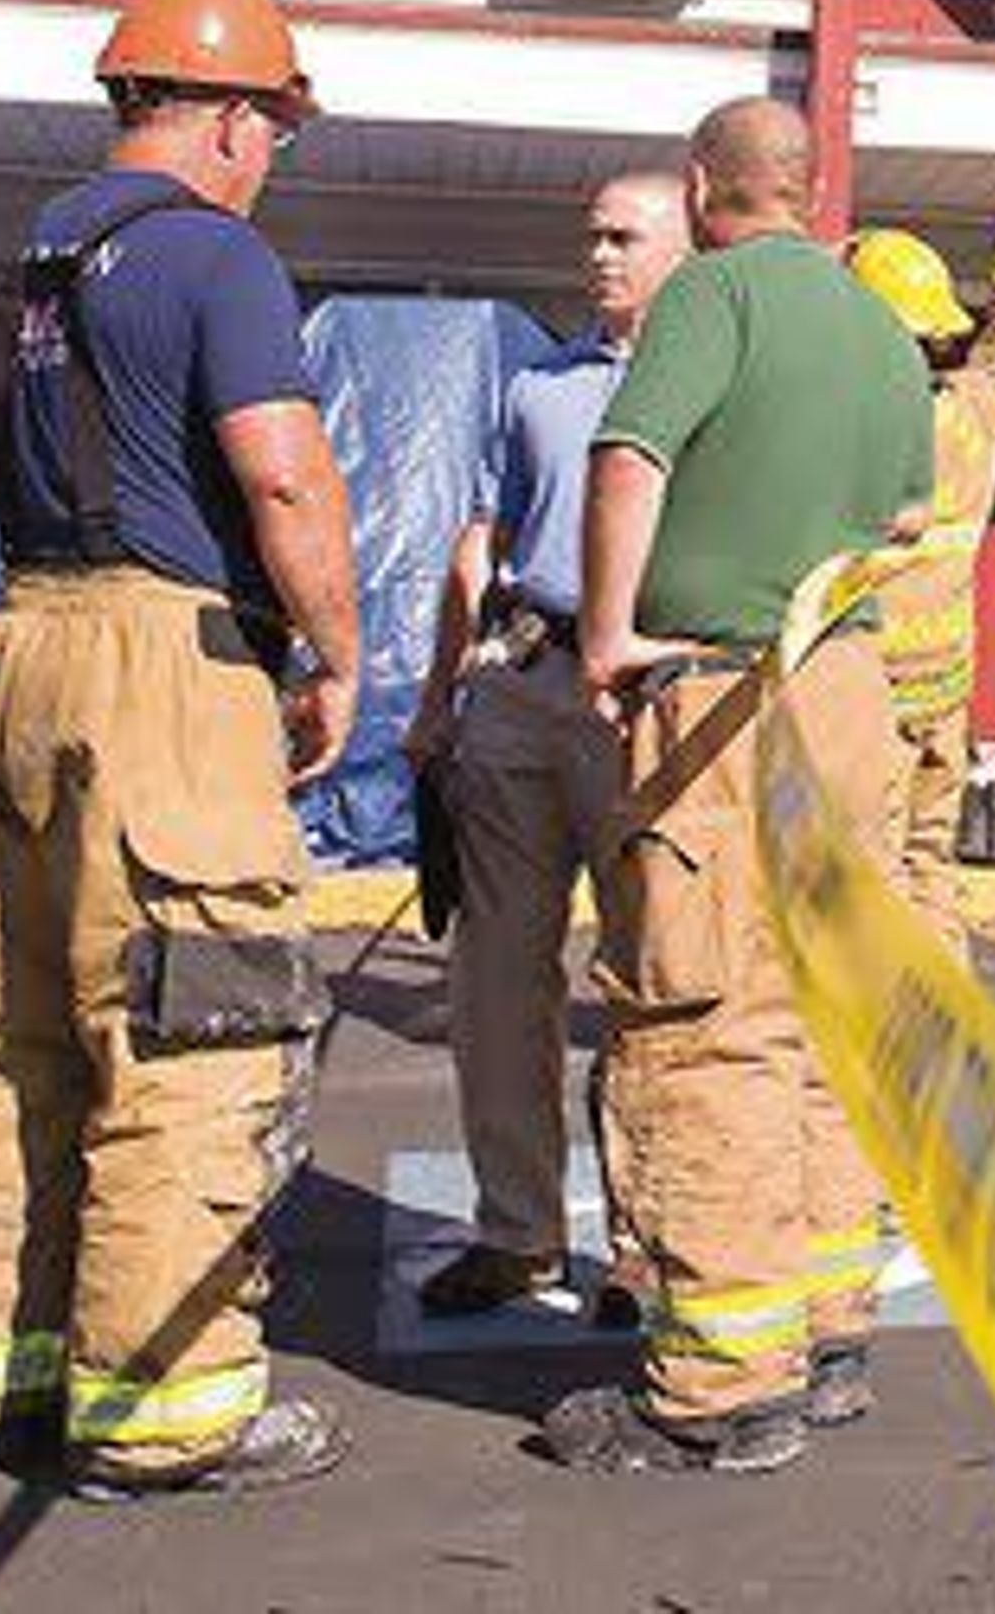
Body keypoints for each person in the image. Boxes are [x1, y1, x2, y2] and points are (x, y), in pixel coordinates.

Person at [0, 0, 358, 1499]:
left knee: (5, 1038)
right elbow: (284, 480)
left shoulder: (4, 271)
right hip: (160, 671)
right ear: (230, 118)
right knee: (184, 1036)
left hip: (9, 650)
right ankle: (163, 1416)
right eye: (274, 127)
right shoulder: (219, 264)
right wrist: (340, 655)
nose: (273, 155)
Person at [548, 97, 933, 1475]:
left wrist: (605, 633)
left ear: (707, 189)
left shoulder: (713, 294)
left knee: (701, 1019)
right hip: (847, 695)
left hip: (720, 694)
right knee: (819, 1012)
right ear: (812, 188)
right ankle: (828, 1330)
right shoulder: (880, 329)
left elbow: (629, 452)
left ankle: (718, 1385)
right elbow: (901, 516)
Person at [403, 172, 687, 1322]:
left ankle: (644, 1243)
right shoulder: (536, 384)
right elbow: (482, 545)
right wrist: (437, 702)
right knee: (495, 982)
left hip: (643, 705)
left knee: (649, 983)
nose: (600, 254)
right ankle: (516, 1232)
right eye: (593, 235)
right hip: (519, 686)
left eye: (624, 237)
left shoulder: (710, 386)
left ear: (684, 248)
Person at [842, 156, 995, 960]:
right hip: (945, 686)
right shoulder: (974, 409)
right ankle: (941, 1001)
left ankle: (874, 1019)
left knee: (864, 860)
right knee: (927, 859)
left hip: (862, 685)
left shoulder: (845, 428)